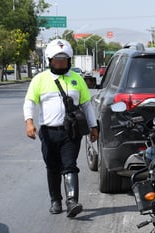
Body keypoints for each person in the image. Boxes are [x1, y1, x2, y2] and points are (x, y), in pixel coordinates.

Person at [23, 39, 98, 218]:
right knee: (52, 167)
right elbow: (29, 102)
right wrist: (29, 122)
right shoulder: (39, 80)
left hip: (71, 132)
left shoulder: (77, 79)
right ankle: (55, 200)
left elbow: (86, 105)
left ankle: (72, 201)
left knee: (70, 165)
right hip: (48, 132)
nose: (61, 63)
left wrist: (93, 126)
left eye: (64, 60)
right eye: (57, 60)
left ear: (69, 61)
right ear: (50, 60)